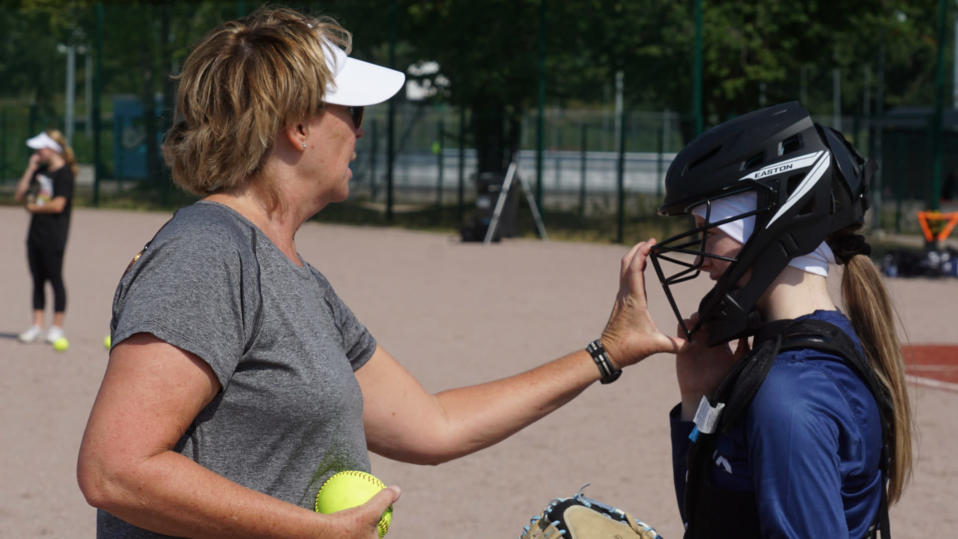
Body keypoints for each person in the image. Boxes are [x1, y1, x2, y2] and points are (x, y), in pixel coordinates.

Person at [75, 7, 681, 538]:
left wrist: (606, 352)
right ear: (298, 125)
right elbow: (116, 469)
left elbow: (434, 426)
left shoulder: (296, 275)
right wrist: (313, 532)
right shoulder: (205, 253)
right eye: (353, 111)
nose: (361, 129)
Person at [647, 102, 913, 538]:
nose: (701, 260)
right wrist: (699, 398)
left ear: (772, 228)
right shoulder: (793, 357)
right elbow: (717, 518)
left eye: (709, 232)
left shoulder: (791, 398)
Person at [14, 129, 77, 345]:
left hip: (54, 235)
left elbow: (59, 204)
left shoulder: (65, 174)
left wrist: (34, 208)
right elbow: (19, 194)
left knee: (55, 278)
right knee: (37, 280)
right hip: (35, 235)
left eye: (40, 148)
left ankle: (56, 328)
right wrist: (30, 168)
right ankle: (36, 326)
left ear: (51, 149)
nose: (37, 152)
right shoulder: (40, 171)